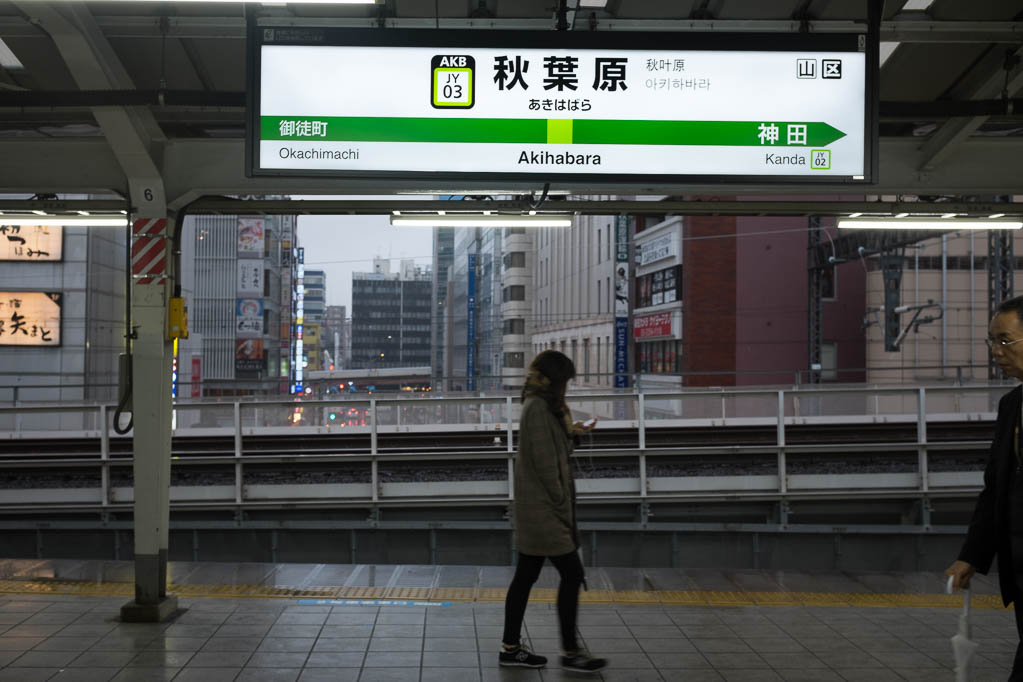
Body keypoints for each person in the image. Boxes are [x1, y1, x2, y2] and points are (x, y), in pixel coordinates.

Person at [499, 350, 608, 673]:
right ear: (552, 381)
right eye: (564, 382)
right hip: (543, 508)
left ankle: (511, 648)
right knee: (572, 573)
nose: (566, 388)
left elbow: (553, 446)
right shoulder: (537, 407)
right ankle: (570, 652)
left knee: (526, 576)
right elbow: (546, 462)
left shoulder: (545, 406)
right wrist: (561, 502)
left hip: (541, 506)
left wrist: (573, 431)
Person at [948, 295, 1023, 680]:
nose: (996, 351)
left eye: (1005, 340)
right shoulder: (1012, 405)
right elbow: (996, 489)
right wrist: (972, 556)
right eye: (992, 341)